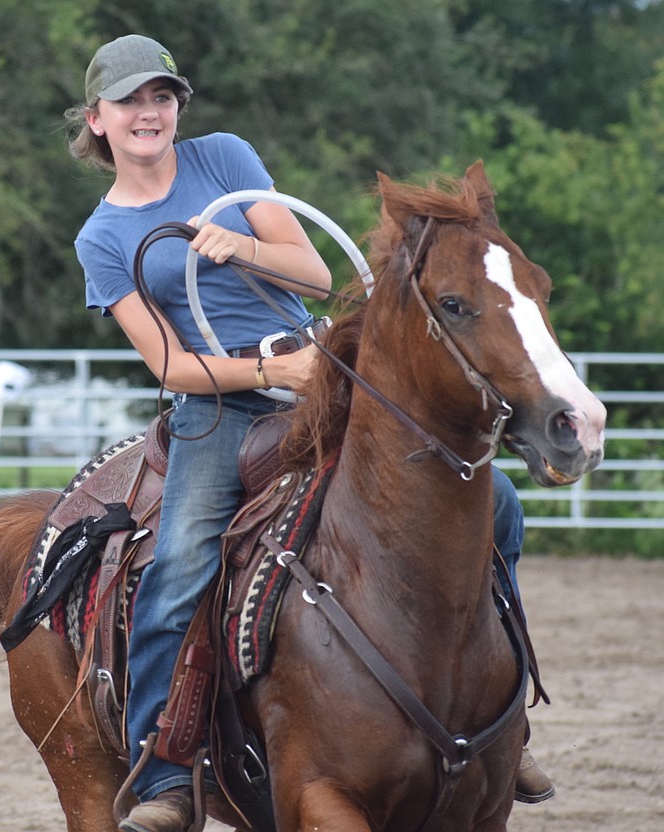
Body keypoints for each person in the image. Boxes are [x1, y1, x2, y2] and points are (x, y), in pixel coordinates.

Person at [67, 34, 551, 832]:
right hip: (220, 409)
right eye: (129, 102)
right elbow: (170, 365)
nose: (147, 113)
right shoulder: (102, 237)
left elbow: (316, 273)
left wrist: (243, 246)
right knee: (181, 559)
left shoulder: (223, 159)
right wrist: (267, 375)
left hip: (322, 377)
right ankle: (163, 772)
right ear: (99, 119)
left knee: (495, 503)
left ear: (177, 107)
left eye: (160, 97)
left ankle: (507, 723)